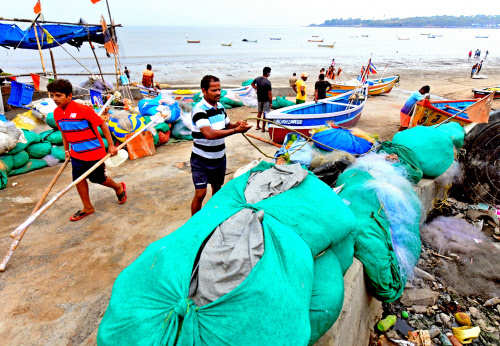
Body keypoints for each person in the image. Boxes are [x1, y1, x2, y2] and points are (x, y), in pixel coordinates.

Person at [47, 79, 126, 222]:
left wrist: (111, 145)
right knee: (79, 179)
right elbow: (64, 133)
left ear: (69, 96)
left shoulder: (83, 110)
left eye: (58, 95)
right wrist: (66, 151)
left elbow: (102, 124)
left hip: (94, 152)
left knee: (98, 179)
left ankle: (118, 187)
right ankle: (87, 207)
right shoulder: (57, 113)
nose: (54, 99)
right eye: (52, 95)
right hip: (76, 153)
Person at [190, 75, 252, 215]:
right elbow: (209, 134)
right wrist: (236, 130)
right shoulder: (199, 110)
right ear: (204, 91)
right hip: (201, 159)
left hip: (219, 158)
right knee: (200, 194)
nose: (218, 93)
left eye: (219, 89)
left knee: (217, 191)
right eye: (214, 90)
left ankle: (213, 216)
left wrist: (237, 124)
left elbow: (226, 124)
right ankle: (194, 224)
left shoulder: (221, 107)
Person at [251, 67, 272, 132]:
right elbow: (269, 94)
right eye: (269, 72)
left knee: (259, 113)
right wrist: (271, 102)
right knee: (265, 114)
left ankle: (257, 126)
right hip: (266, 100)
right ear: (267, 73)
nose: (270, 74)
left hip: (259, 99)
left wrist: (256, 88)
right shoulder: (268, 82)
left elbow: (252, 84)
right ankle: (263, 128)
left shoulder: (257, 79)